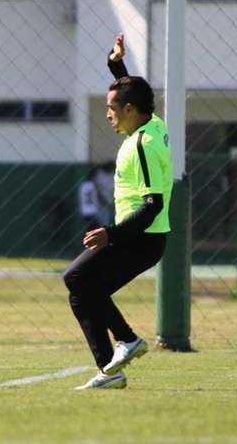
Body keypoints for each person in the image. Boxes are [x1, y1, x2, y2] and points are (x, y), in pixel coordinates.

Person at [63, 33, 173, 389]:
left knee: (78, 279)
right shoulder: (153, 124)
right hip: (142, 239)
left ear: (128, 112)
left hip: (139, 238)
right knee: (84, 290)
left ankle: (127, 340)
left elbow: (153, 205)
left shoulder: (142, 144)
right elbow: (134, 95)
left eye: (112, 110)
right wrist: (116, 66)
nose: (108, 115)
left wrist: (112, 233)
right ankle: (110, 370)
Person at [78, 169, 102, 233]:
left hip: (84, 210)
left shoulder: (83, 185)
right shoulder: (93, 185)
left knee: (89, 229)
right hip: (93, 211)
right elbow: (94, 198)